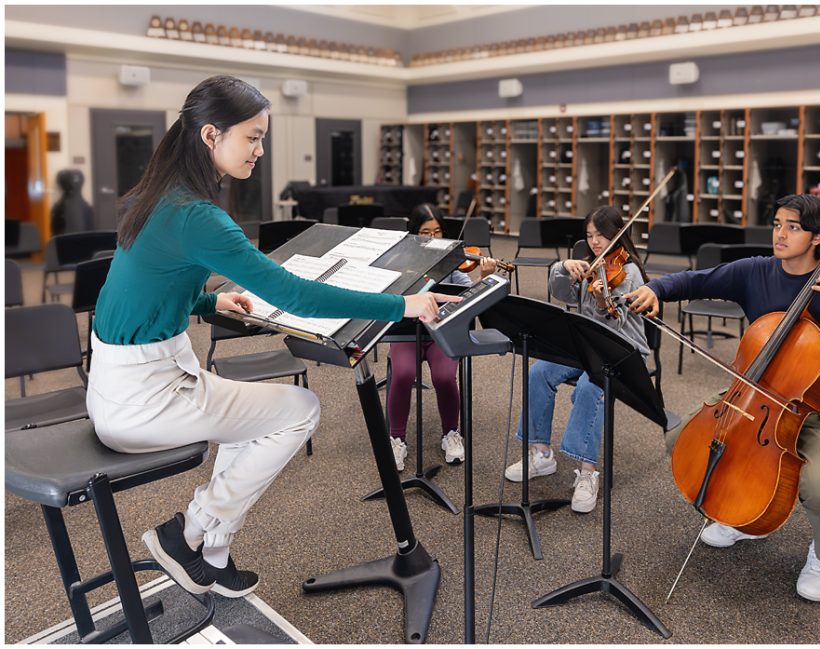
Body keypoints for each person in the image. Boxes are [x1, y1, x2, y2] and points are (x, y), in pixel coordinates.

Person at [86, 76, 458, 600]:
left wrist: (208, 301)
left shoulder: (161, 198)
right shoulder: (198, 217)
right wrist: (404, 304)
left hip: (116, 383)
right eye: (253, 138)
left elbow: (137, 289)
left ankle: (212, 552)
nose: (261, 150)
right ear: (211, 135)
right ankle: (189, 532)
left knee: (256, 423)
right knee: (300, 409)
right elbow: (297, 297)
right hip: (145, 399)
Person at [624, 194, 820, 602]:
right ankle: (742, 515)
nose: (780, 234)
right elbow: (697, 280)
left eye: (793, 227)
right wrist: (655, 289)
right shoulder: (756, 271)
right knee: (681, 440)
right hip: (752, 392)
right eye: (778, 223)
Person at [504, 205, 650, 513]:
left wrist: (600, 300)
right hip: (584, 346)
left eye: (601, 235)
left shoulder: (631, 272)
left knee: (589, 387)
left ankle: (587, 472)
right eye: (590, 235)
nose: (595, 242)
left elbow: (617, 320)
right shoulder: (589, 266)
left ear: (617, 234)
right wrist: (562, 266)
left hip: (619, 349)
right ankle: (541, 453)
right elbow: (562, 294)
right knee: (539, 372)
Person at [387, 204, 498, 471]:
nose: (434, 238)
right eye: (426, 232)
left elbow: (467, 296)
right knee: (402, 374)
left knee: (444, 377)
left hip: (440, 333)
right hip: (406, 333)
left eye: (438, 231)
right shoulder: (400, 259)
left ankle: (451, 432)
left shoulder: (451, 262)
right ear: (414, 234)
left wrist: (484, 277)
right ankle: (396, 438)